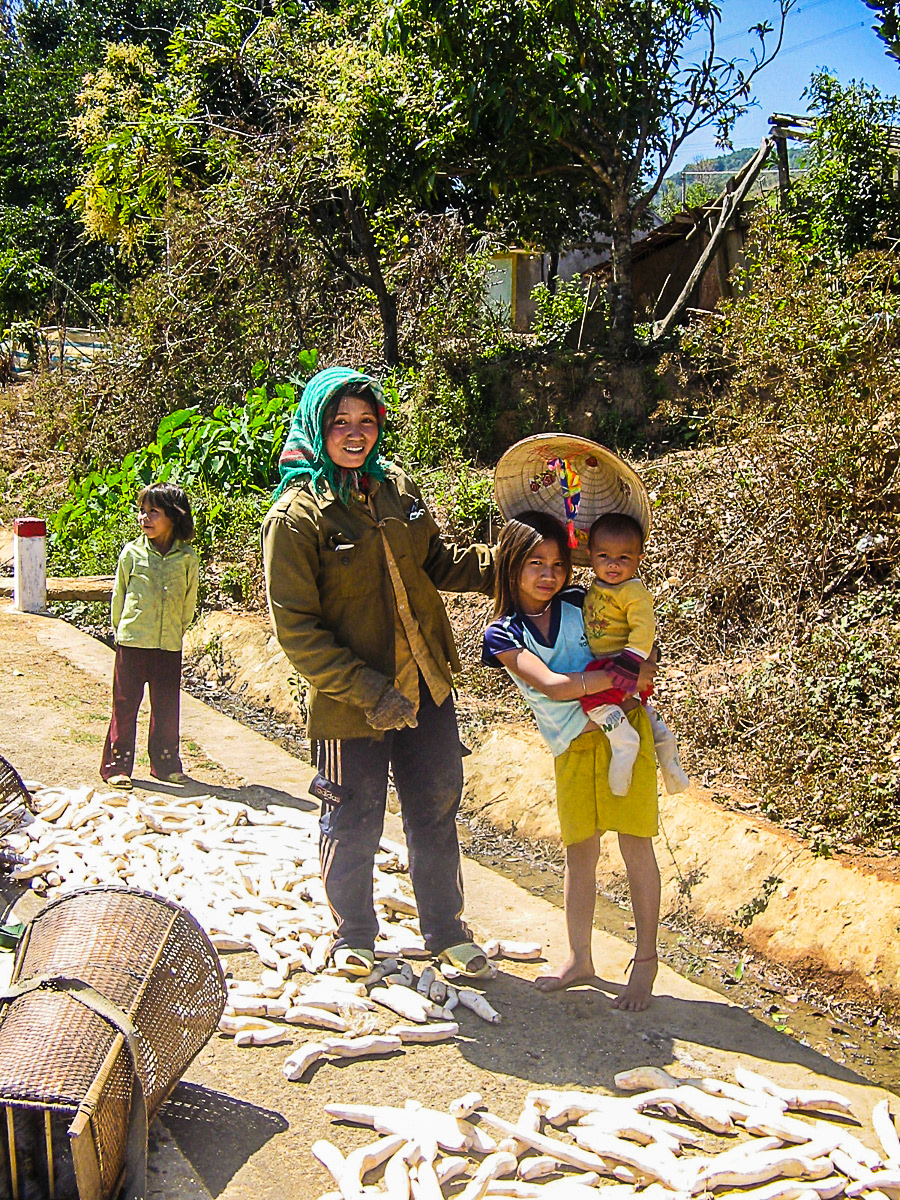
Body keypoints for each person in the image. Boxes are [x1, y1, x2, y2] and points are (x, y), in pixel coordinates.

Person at [262, 366, 495, 980]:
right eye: (340, 421)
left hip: (426, 684)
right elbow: (299, 632)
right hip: (352, 704)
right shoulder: (296, 519)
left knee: (436, 808)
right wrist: (370, 691)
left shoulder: (397, 489)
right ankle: (355, 933)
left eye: (366, 421)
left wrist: (516, 562)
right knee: (353, 815)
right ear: (317, 426)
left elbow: (439, 561)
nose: (354, 433)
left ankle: (446, 930)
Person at [482, 510, 660, 1010]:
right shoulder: (504, 635)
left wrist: (639, 667)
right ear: (510, 564)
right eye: (535, 563)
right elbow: (554, 686)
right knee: (580, 852)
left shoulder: (583, 603)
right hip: (572, 749)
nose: (549, 574)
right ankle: (581, 958)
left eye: (558, 564)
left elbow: (642, 645)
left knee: (636, 846)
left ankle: (645, 962)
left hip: (625, 735)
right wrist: (618, 677)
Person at [579, 512, 689, 797]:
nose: (613, 564)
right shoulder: (599, 586)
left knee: (594, 702)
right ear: (589, 555)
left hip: (621, 662)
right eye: (604, 556)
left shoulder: (632, 591)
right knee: (646, 715)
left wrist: (630, 660)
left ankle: (624, 745)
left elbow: (644, 628)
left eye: (624, 558)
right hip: (616, 662)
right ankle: (669, 756)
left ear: (639, 558)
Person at [100, 483, 198, 790]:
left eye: (153, 511)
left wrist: (176, 631)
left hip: (168, 644)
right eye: (142, 511)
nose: (144, 518)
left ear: (174, 516)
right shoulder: (132, 553)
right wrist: (121, 632)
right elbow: (119, 596)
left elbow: (189, 603)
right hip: (133, 642)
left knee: (167, 706)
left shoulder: (187, 558)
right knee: (125, 705)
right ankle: (117, 766)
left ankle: (166, 765)